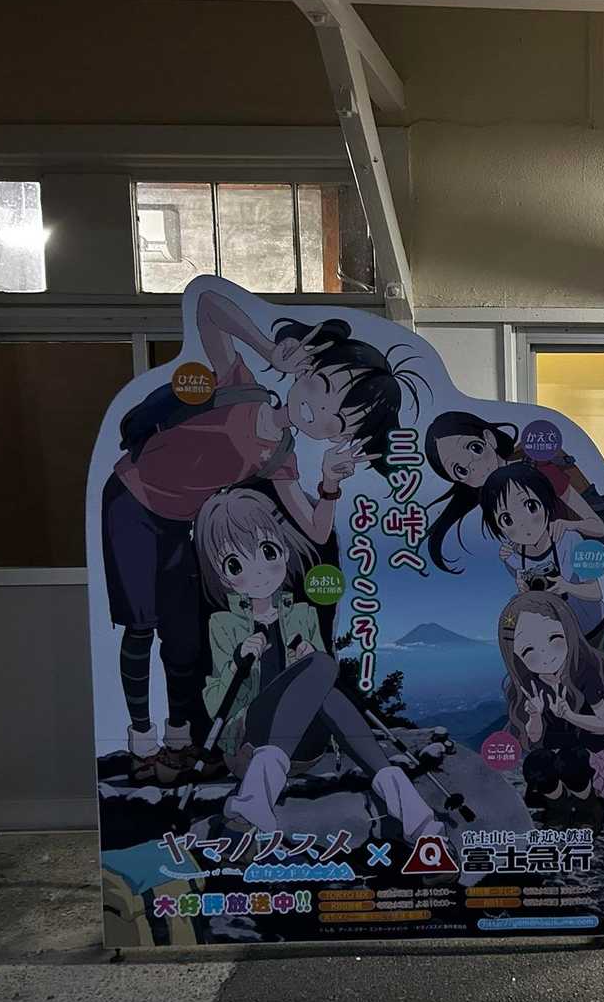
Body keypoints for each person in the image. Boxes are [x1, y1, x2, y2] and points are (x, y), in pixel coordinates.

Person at [103, 281, 421, 782]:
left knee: (182, 636)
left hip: (179, 525)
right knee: (141, 625)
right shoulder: (240, 383)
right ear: (308, 371)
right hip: (129, 499)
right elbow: (208, 305)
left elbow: (315, 531)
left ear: (340, 435)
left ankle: (179, 741)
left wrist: (329, 486)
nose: (318, 411)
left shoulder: (281, 459)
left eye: (338, 420)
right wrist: (267, 347)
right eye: (324, 387)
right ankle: (141, 739)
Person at [195, 489, 441, 845]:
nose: (258, 571)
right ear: (222, 575)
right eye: (236, 564)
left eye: (268, 552)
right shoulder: (224, 625)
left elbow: (323, 684)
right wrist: (238, 662)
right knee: (322, 667)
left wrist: (310, 661)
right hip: (250, 740)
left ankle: (257, 802)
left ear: (284, 549)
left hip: (305, 747)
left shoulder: (302, 615)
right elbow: (217, 704)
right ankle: (417, 818)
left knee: (324, 678)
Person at [497, 591, 604, 831]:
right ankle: (558, 807)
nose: (545, 655)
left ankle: (588, 808)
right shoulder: (531, 685)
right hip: (554, 752)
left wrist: (570, 715)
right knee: (537, 763)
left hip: (587, 752)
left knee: (571, 761)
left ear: (569, 633)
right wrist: (535, 715)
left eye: (554, 639)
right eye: (529, 650)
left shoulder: (584, 674)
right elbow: (534, 738)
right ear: (516, 655)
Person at [423, 410, 604, 574]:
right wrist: (513, 553)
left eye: (475, 448)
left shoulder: (539, 471)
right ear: (458, 479)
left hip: (572, 565)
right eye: (461, 470)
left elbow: (599, 527)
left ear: (489, 438)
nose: (475, 466)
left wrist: (568, 525)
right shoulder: (490, 499)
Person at [480, 463, 604, 649]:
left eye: (530, 506)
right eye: (507, 519)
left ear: (545, 502)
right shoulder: (513, 558)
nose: (523, 524)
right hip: (555, 639)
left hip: (590, 629)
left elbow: (596, 592)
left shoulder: (570, 540)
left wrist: (566, 586)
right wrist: (525, 593)